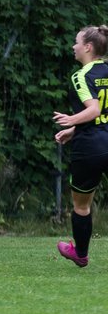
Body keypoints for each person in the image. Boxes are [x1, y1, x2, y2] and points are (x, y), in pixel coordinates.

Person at [52, 24, 108, 267]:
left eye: (76, 42)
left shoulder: (80, 75)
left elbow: (94, 109)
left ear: (88, 47)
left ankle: (81, 254)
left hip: (91, 147)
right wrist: (74, 130)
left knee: (81, 205)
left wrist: (71, 119)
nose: (73, 47)